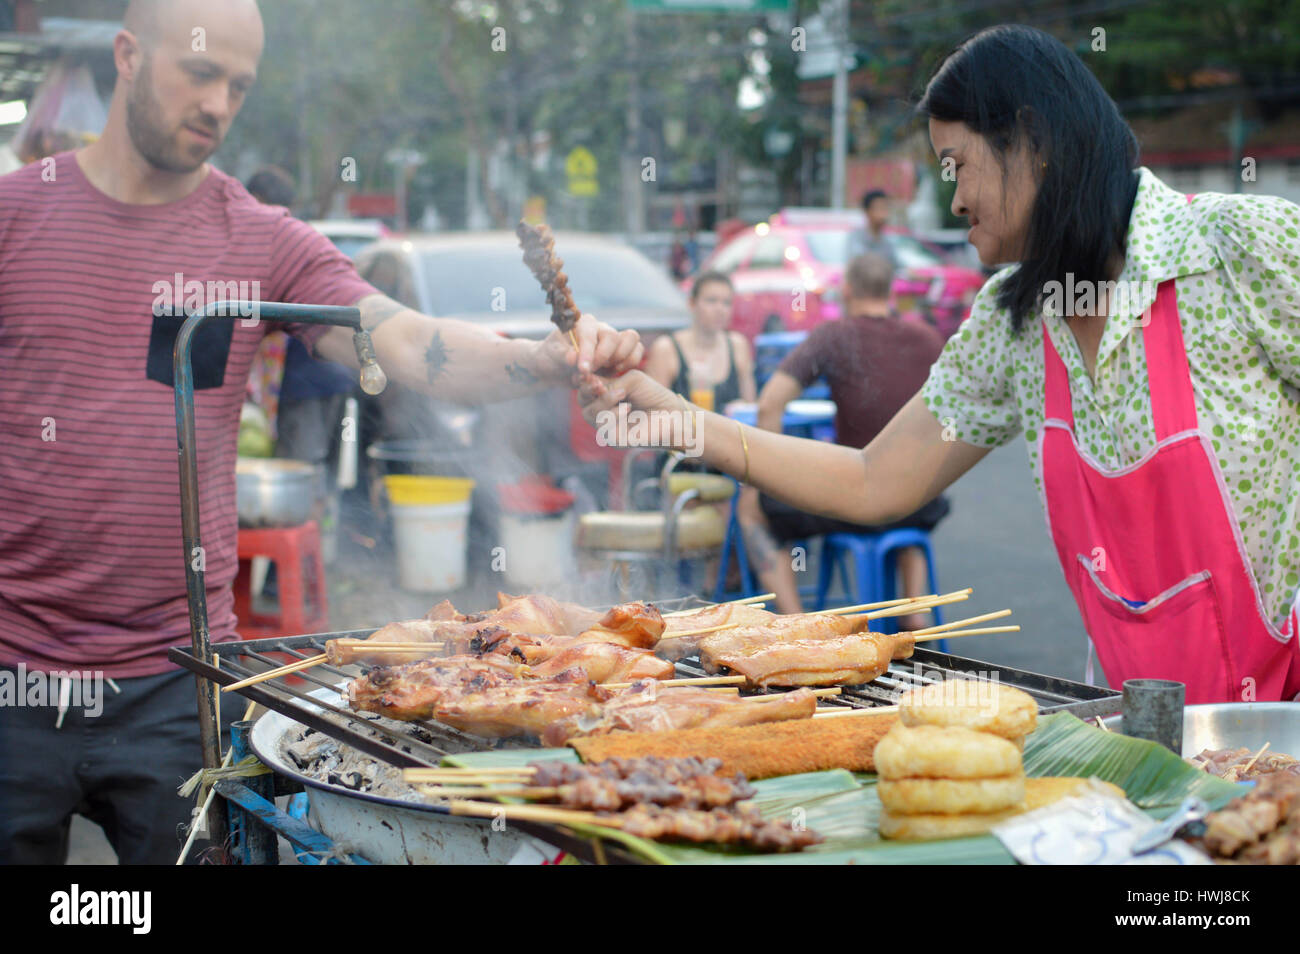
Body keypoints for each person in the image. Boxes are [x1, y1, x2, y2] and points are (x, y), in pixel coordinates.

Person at [0, 0, 641, 865]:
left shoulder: (258, 237)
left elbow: (405, 341)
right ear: (126, 55)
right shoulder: (16, 216)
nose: (220, 104)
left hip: (180, 676)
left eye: (239, 85)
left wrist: (544, 360)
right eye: (200, 72)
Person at [582, 24, 1300, 705]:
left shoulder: (1237, 250)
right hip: (1144, 733)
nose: (953, 199)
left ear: (1033, 142)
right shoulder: (1012, 322)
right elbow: (874, 480)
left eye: (958, 166)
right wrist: (682, 423)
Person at [737, 253, 949, 621]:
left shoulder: (835, 335)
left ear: (847, 290)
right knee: (906, 497)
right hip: (921, 500)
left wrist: (757, 483)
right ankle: (913, 607)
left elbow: (770, 404)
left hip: (860, 501)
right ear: (890, 292)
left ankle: (796, 624)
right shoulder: (928, 338)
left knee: (754, 511)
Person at [644, 270, 755, 413]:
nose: (720, 309)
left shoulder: (737, 345)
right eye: (711, 301)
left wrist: (741, 408)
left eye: (726, 303)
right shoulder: (666, 349)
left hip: (728, 434)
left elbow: (751, 407)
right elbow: (654, 412)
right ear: (692, 303)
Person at [846, 189, 898, 267]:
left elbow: (896, 266)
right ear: (867, 211)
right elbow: (860, 263)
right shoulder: (857, 237)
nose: (884, 213)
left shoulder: (887, 241)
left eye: (886, 208)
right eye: (879, 208)